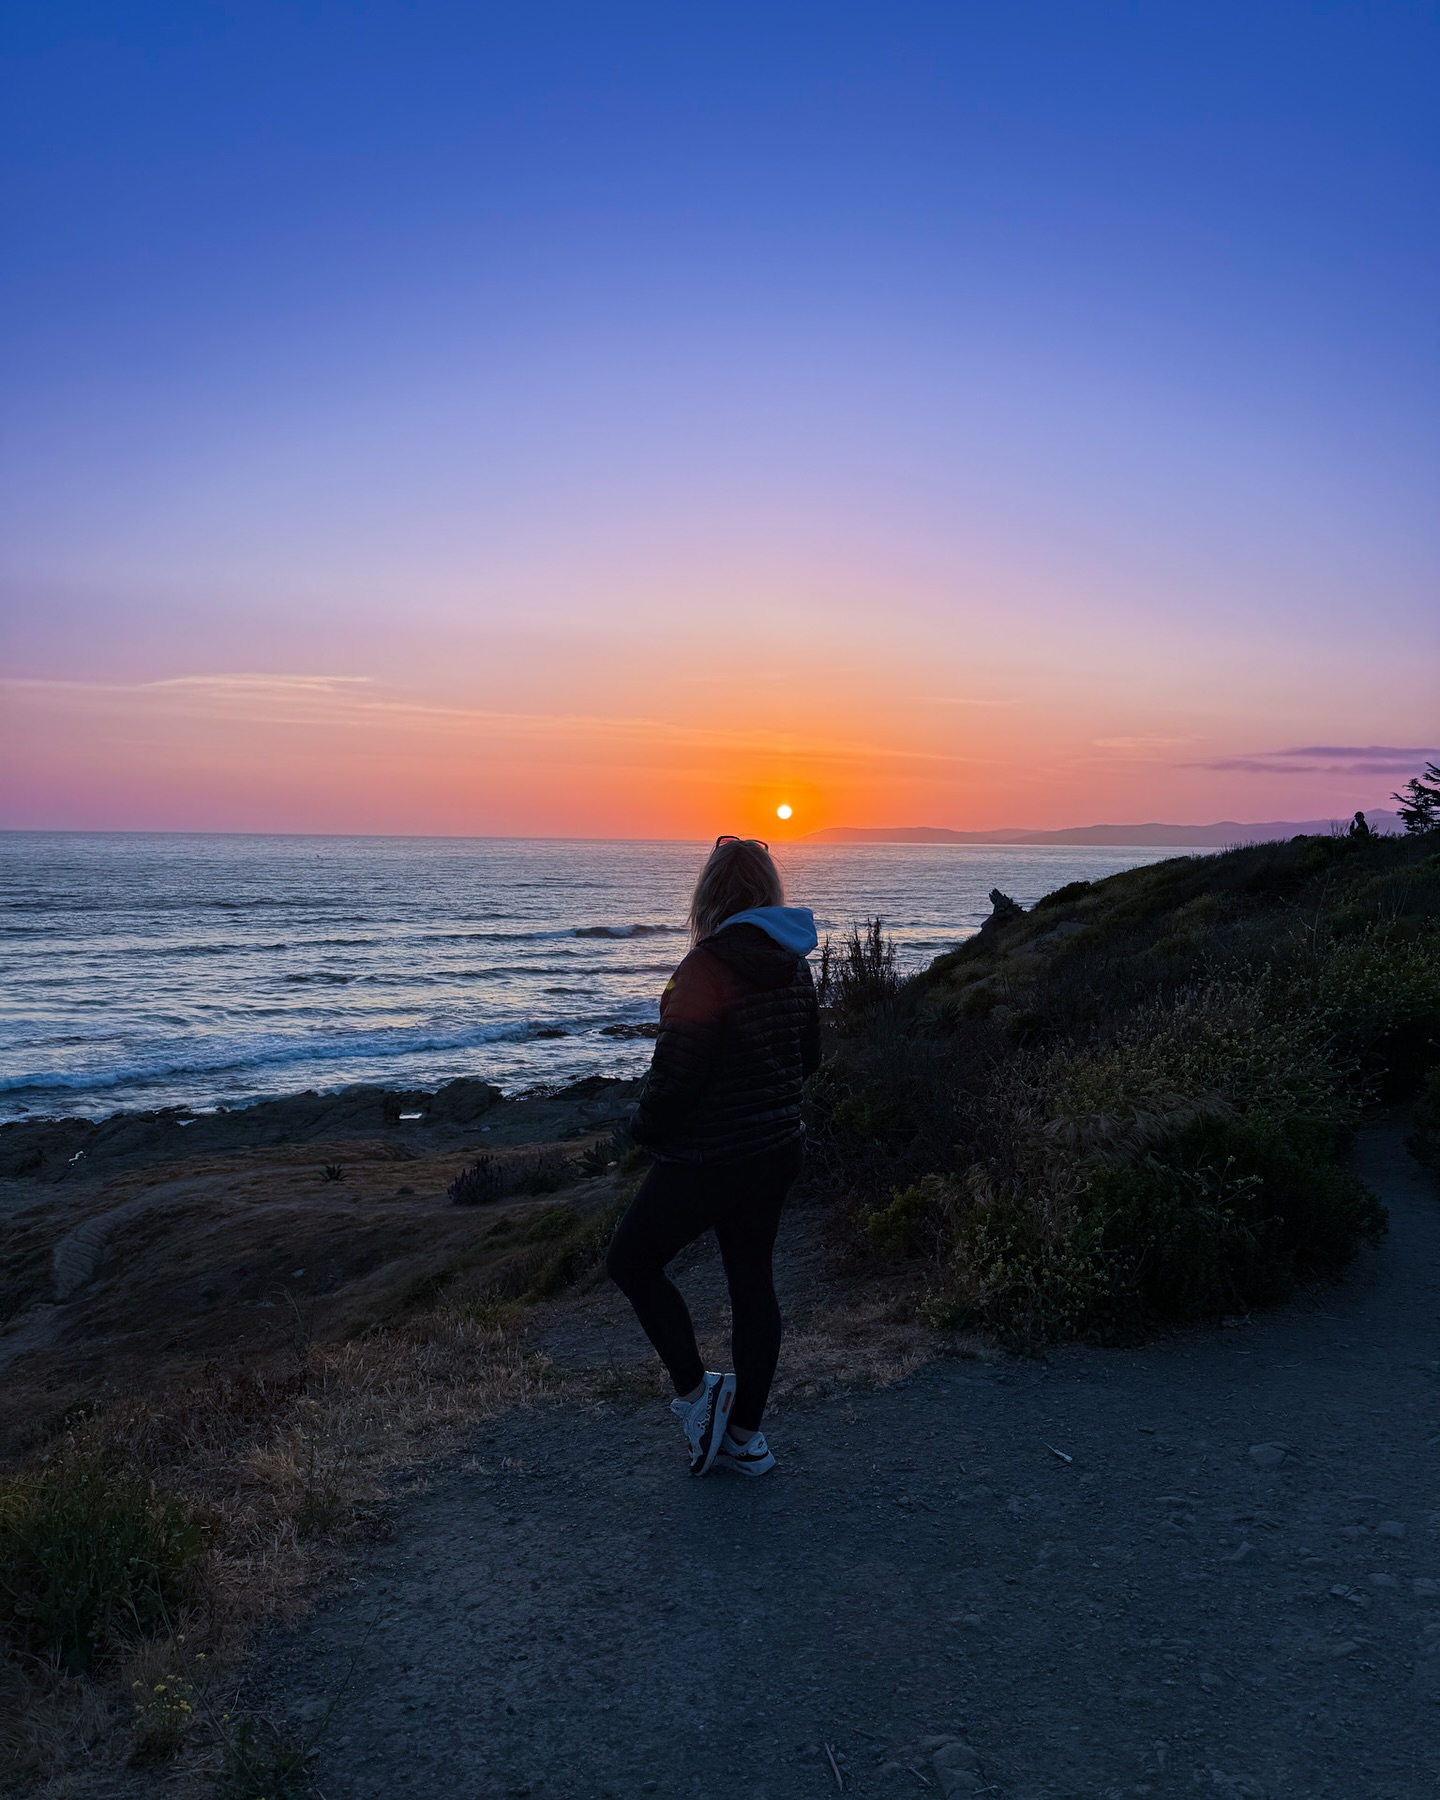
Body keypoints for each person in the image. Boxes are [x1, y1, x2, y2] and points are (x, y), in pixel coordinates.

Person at [605, 835, 820, 1477]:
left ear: (709, 897)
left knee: (631, 1260)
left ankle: (699, 1398)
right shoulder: (795, 963)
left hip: (711, 1156)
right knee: (753, 1284)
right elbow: (809, 1060)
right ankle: (746, 1438)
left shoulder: (704, 967)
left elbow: (673, 1081)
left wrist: (639, 1133)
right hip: (777, 1147)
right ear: (767, 894)